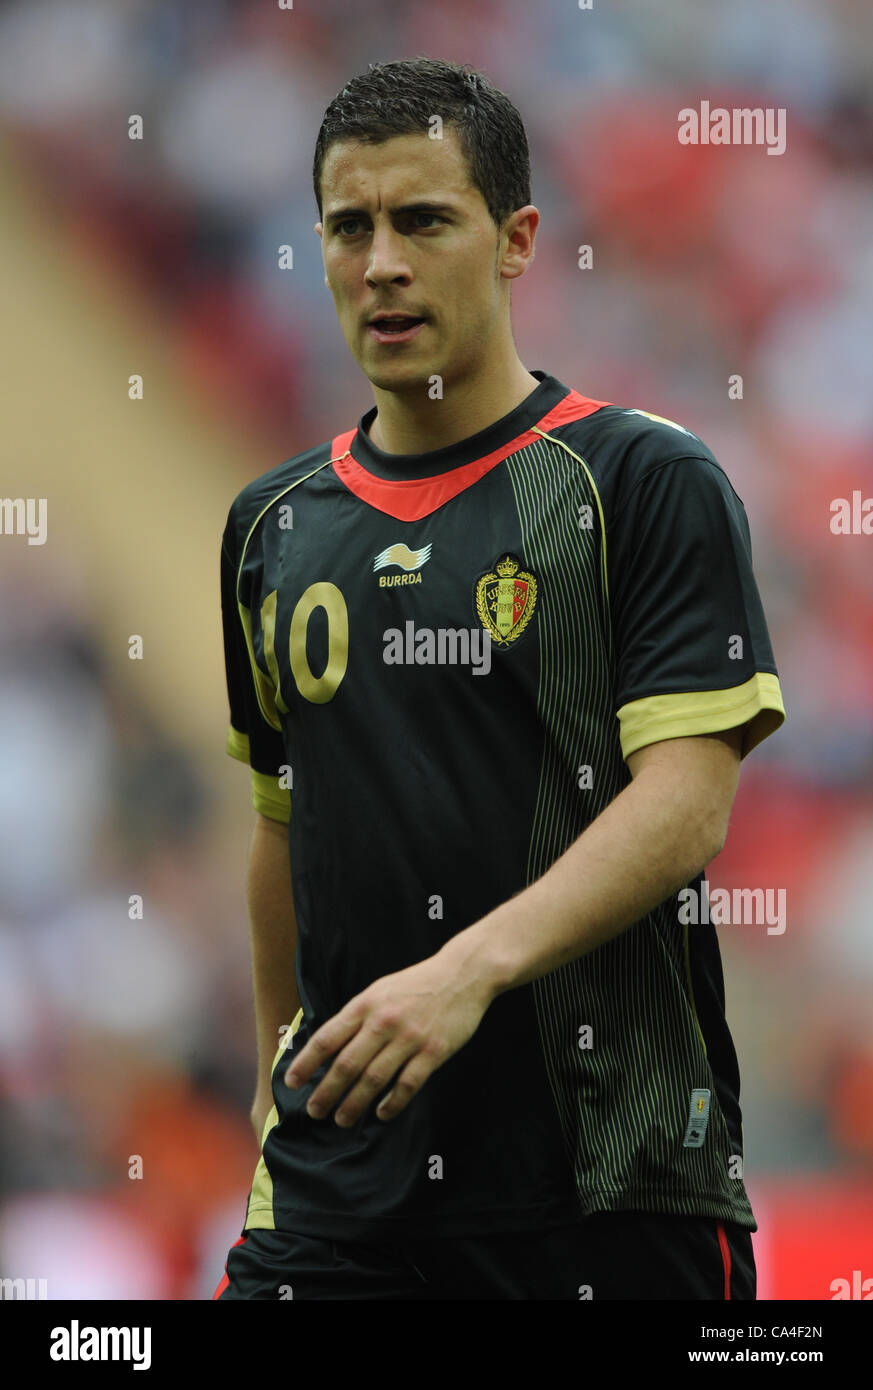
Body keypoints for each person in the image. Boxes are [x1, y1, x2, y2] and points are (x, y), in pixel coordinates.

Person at [213, 57, 785, 1301]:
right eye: (348, 227)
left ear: (518, 239)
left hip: (607, 1189)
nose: (380, 264)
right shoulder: (272, 528)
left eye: (422, 220)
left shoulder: (639, 481)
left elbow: (686, 804)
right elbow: (281, 825)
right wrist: (277, 1094)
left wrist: (462, 969)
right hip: (338, 1201)